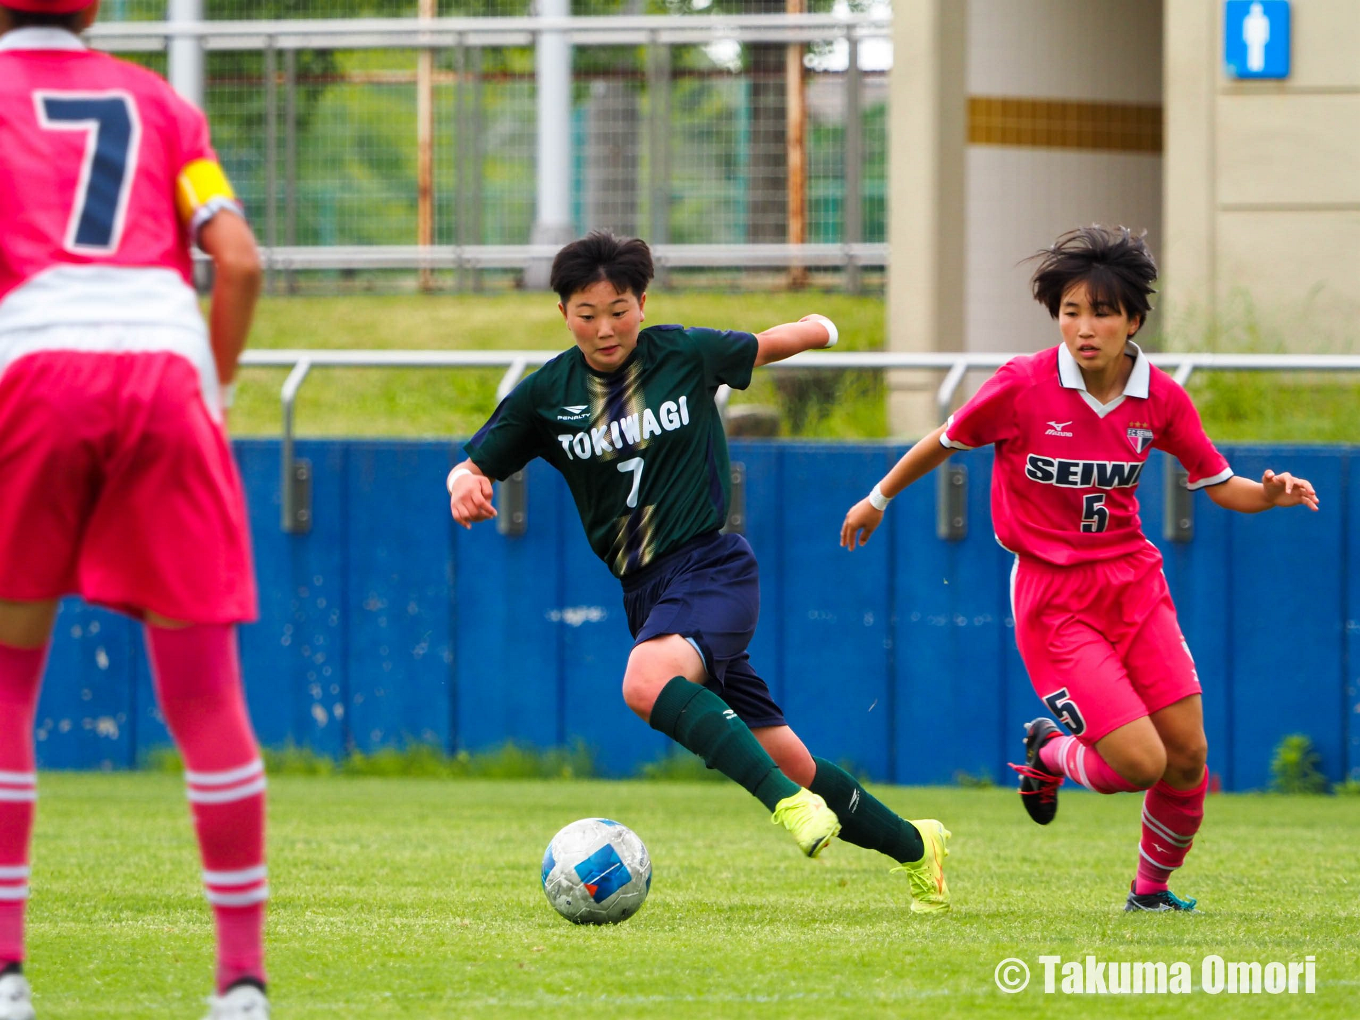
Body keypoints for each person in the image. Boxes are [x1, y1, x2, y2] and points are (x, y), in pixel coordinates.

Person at [449, 231, 952, 913]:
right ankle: (919, 848)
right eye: (587, 312)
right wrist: (464, 481)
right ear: (563, 312)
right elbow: (477, 459)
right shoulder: (547, 395)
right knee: (792, 759)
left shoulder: (682, 353)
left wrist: (821, 326)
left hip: (712, 567)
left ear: (643, 303)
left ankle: (786, 809)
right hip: (647, 593)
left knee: (644, 681)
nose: (605, 328)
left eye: (620, 309)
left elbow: (768, 344)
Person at [840, 226, 1318, 913]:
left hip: (1134, 586)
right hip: (1053, 600)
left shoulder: (1160, 399)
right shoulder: (1023, 385)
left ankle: (1149, 895)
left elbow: (1222, 485)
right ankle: (1048, 751)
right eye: (1070, 311)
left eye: (1100, 312)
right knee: (1139, 765)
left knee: (1187, 756)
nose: (1084, 328)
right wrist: (876, 497)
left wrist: (1269, 495)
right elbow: (943, 440)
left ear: (1134, 321)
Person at [0, 2, 268, 1017]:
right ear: (96, 10)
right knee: (204, 701)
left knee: (8, 688)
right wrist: (218, 389)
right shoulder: (159, 106)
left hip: (33, 373)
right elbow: (236, 261)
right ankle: (240, 984)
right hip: (165, 376)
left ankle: (7, 974)